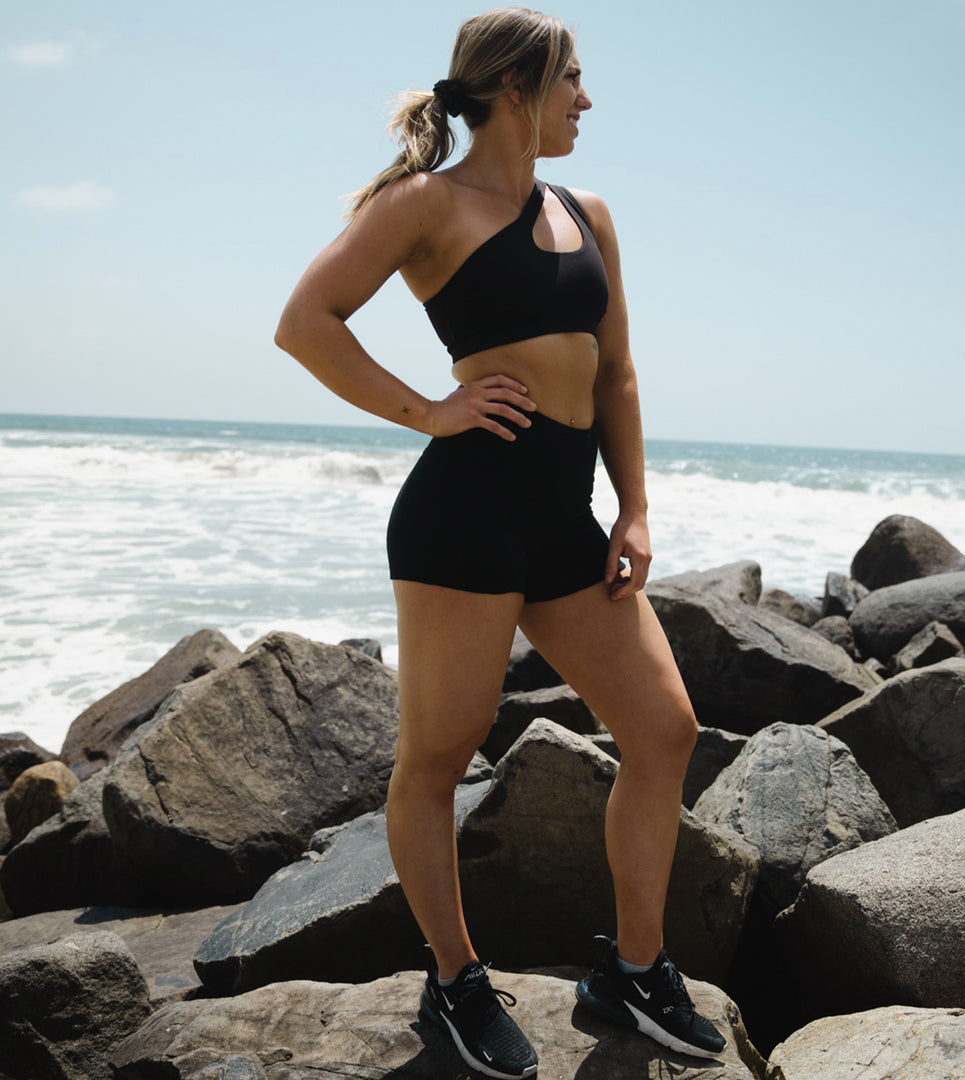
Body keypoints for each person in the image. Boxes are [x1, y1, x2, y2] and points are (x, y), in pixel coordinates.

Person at [274, 8, 727, 1078]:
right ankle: (455, 982)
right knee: (436, 760)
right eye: (574, 79)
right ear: (518, 87)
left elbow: (614, 374)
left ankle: (633, 966)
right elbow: (306, 321)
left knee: (664, 729)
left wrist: (636, 509)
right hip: (462, 516)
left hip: (565, 519)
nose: (587, 99)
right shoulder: (426, 203)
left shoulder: (591, 212)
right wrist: (427, 410)